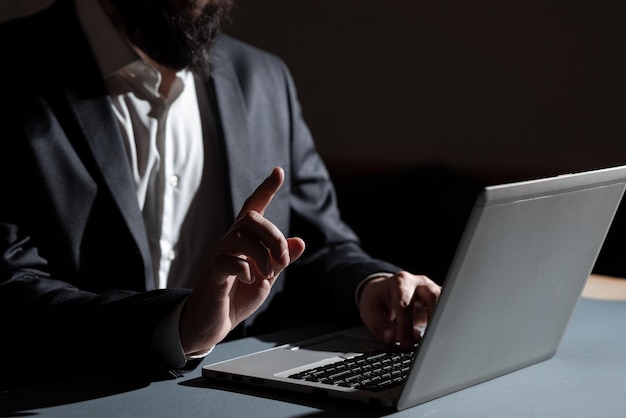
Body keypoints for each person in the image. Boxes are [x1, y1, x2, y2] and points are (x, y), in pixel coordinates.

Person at [0, 0, 441, 387]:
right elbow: (8, 292)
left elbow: (320, 243)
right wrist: (177, 326)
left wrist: (371, 287)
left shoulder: (265, 79)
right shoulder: (14, 66)